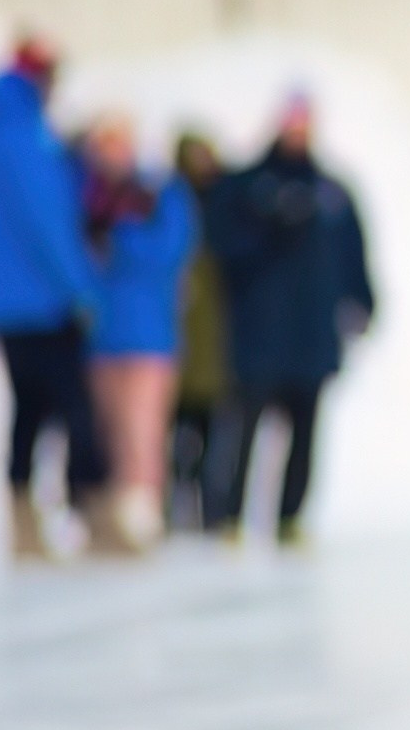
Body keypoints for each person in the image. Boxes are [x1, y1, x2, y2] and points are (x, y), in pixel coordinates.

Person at [0, 35, 134, 560]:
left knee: (29, 411)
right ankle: (95, 515)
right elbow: (48, 226)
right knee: (76, 409)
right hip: (41, 303)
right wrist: (81, 289)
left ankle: (24, 525)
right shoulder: (23, 139)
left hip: (6, 306)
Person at [208, 92, 377, 548]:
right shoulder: (249, 188)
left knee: (305, 434)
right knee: (244, 428)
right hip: (261, 332)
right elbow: (223, 249)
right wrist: (268, 225)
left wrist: (363, 301)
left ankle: (290, 517)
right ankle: (229, 516)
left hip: (312, 332)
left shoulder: (332, 193)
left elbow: (354, 255)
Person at [80, 112, 195, 550]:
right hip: (102, 335)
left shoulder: (157, 193)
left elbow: (171, 250)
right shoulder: (87, 195)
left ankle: (144, 511)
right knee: (107, 429)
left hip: (150, 334)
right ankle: (110, 512)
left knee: (144, 429)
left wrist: (121, 236)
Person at [168, 131, 234, 532]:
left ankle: (212, 510)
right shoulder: (166, 202)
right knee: (176, 437)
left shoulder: (225, 206)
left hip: (213, 347)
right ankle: (175, 506)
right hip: (176, 345)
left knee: (214, 435)